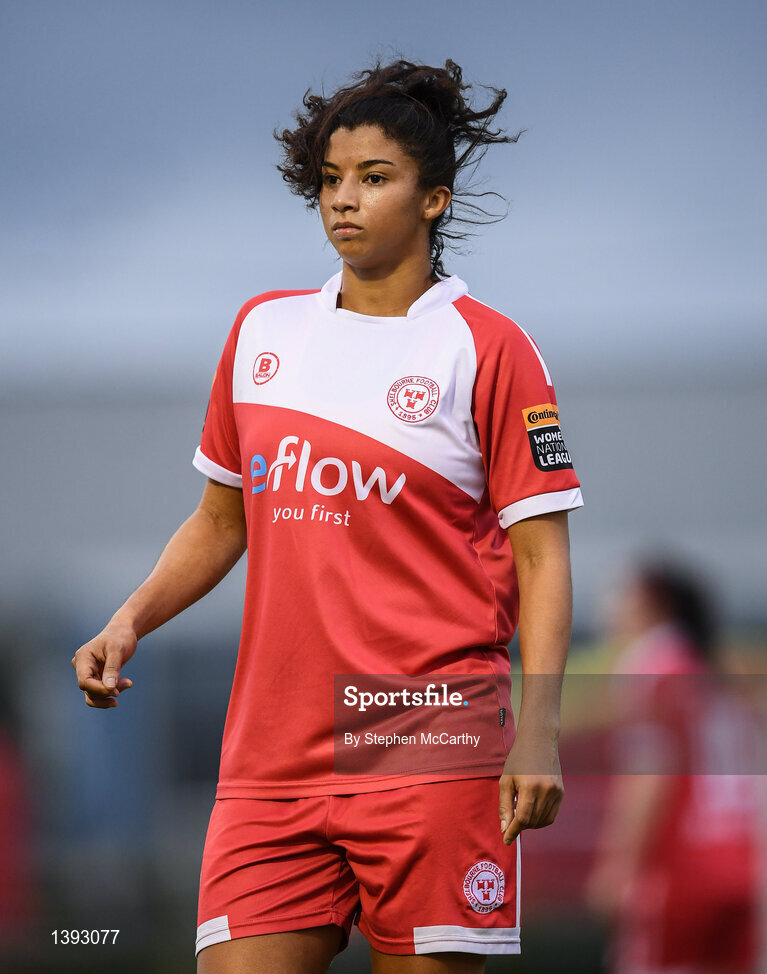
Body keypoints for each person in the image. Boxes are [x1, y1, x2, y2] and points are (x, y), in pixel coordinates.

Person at [72, 59, 584, 974]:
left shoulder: (489, 349)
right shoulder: (262, 332)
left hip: (429, 744)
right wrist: (129, 618)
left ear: (433, 200)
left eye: (374, 179)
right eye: (329, 181)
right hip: (269, 759)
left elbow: (543, 559)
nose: (343, 201)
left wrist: (538, 729)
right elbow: (220, 522)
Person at [586, 558, 763, 974]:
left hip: (681, 868)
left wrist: (619, 861)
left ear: (652, 601)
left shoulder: (653, 665)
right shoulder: (722, 669)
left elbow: (650, 776)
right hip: (742, 866)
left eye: (622, 593)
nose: (610, 605)